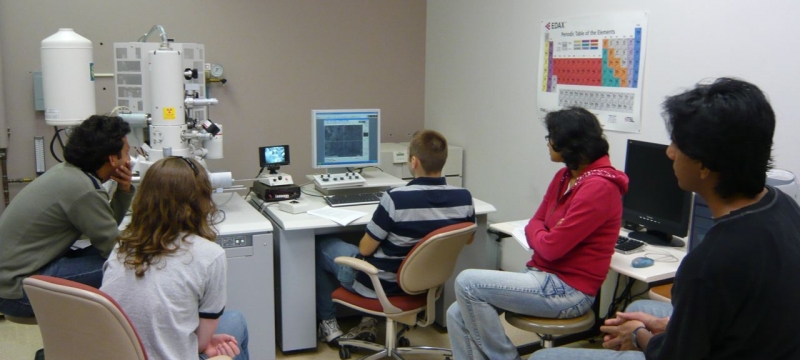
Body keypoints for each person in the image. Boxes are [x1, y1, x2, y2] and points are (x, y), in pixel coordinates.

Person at [532, 78, 800, 360]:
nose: (670, 153)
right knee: (647, 310)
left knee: (543, 358)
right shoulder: (782, 205)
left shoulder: (708, 263)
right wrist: (669, 326)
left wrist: (638, 335)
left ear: (706, 165)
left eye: (677, 144)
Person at [447, 107, 629, 360]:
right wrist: (544, 234)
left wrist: (543, 236)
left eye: (551, 137)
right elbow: (536, 221)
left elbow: (552, 248)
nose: (548, 143)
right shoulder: (565, 176)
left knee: (467, 282)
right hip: (541, 275)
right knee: (456, 313)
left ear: (569, 145)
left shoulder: (599, 188)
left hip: (568, 291)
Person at [316, 129, 476, 344]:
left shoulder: (396, 199)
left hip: (383, 286)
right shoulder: (464, 198)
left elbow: (364, 250)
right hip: (426, 286)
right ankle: (368, 320)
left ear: (413, 161)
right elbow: (467, 238)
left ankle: (328, 324)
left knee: (321, 244)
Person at [100, 156, 249, 359]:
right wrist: (204, 345)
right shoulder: (211, 255)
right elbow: (202, 344)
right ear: (201, 200)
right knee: (236, 323)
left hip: (120, 353)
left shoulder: (122, 246)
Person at [0, 115, 135, 318]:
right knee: (130, 267)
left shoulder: (69, 174)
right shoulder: (82, 189)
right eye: (127, 153)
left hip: (16, 277)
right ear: (112, 159)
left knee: (121, 257)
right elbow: (113, 250)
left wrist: (124, 191)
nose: (129, 160)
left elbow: (103, 226)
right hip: (17, 292)